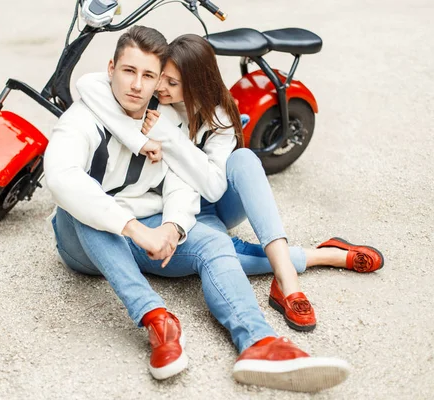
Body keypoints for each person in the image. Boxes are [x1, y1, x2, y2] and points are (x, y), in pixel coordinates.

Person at [46, 26, 350, 392]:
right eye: (129, 72)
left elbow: (182, 184)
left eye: (149, 76)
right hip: (85, 244)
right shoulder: (82, 119)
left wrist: (172, 227)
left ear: (160, 80)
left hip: (154, 232)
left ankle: (259, 342)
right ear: (110, 68)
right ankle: (158, 320)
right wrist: (136, 229)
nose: (138, 86)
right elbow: (62, 178)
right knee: (87, 207)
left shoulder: (169, 119)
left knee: (215, 243)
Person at [76, 34, 384, 333]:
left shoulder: (218, 117)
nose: (159, 86)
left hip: (214, 202)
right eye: (161, 77)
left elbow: (212, 187)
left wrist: (169, 136)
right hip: (173, 204)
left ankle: (288, 281)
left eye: (172, 83)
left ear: (195, 84)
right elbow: (88, 83)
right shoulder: (153, 99)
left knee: (245, 159)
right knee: (221, 257)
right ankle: (325, 254)